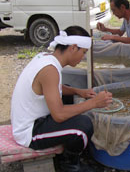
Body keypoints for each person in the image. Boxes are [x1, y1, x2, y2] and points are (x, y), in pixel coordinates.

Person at [11, 26, 113, 172]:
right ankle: (70, 165)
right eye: (83, 52)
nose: (83, 57)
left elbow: (53, 87)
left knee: (69, 94)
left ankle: (67, 153)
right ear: (73, 48)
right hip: (29, 132)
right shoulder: (50, 70)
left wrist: (78, 91)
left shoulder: (45, 58)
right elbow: (58, 115)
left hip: (29, 120)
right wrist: (94, 103)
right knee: (83, 126)